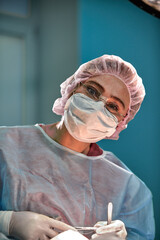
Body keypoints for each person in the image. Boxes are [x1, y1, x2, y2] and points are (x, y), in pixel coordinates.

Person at [0, 54, 155, 240]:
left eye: (113, 106)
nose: (97, 106)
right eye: (92, 91)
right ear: (73, 89)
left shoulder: (128, 187)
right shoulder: (5, 144)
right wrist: (7, 221)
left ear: (120, 123)